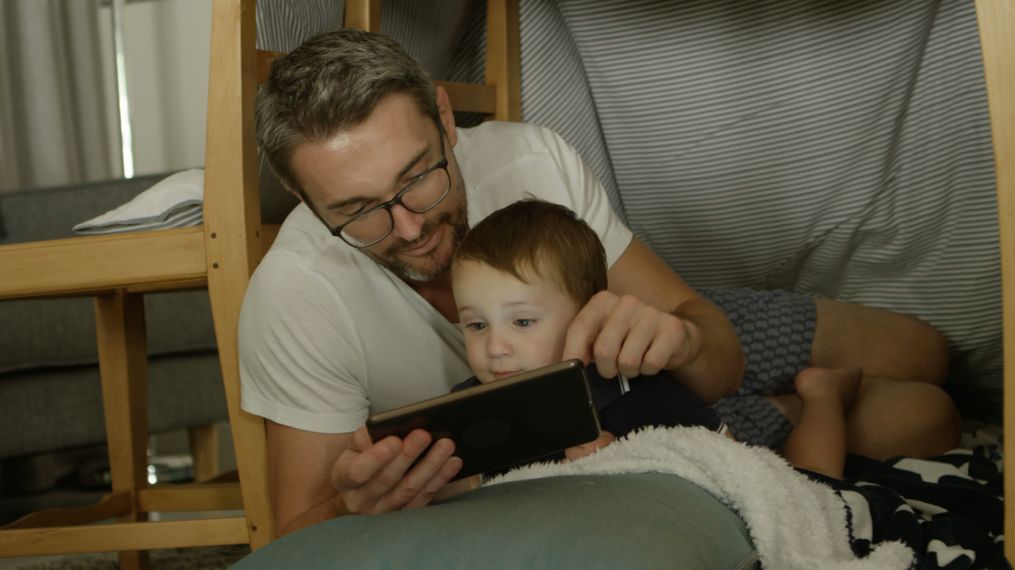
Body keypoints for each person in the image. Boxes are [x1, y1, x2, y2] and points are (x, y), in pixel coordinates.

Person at [240, 28, 960, 536]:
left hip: (654, 348)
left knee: (925, 352)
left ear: (445, 117)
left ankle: (783, 399)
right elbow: (291, 539)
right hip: (628, 431)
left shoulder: (531, 160)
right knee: (927, 417)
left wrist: (680, 340)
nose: (408, 228)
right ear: (308, 205)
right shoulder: (297, 295)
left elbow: (711, 346)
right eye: (359, 212)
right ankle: (793, 407)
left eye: (419, 178)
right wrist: (357, 508)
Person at [447, 199, 860, 483]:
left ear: (589, 318)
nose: (495, 348)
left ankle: (821, 394)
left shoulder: (640, 394)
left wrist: (623, 469)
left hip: (721, 454)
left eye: (521, 321)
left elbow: (743, 474)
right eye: (476, 326)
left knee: (811, 486)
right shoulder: (467, 410)